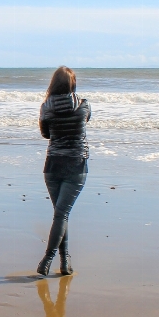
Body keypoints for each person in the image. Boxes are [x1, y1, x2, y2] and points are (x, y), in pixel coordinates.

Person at [37, 66, 91, 277]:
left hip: (53, 165)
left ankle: (65, 261)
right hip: (76, 164)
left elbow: (46, 134)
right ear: (72, 84)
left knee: (61, 214)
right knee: (62, 214)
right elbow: (84, 123)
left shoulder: (46, 107)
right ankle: (49, 258)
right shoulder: (84, 105)